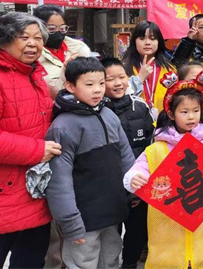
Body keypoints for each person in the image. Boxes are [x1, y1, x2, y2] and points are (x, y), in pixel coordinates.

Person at [123, 81, 203, 269]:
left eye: (196, 111)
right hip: (167, 232)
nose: (191, 117)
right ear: (171, 114)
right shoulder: (157, 148)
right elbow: (140, 167)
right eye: (184, 111)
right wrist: (134, 177)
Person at [0, 12, 60, 268]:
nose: (33, 44)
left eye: (38, 38)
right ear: (4, 40)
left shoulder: (33, 75)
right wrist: (37, 150)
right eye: (24, 37)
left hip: (33, 195)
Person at [45, 57, 136, 269]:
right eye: (89, 84)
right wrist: (70, 222)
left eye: (101, 83)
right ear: (70, 86)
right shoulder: (63, 126)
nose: (97, 90)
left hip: (112, 210)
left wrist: (133, 190)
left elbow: (126, 156)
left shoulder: (109, 115)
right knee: (83, 263)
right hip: (83, 217)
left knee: (111, 259)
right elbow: (59, 181)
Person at [102, 57, 154, 268]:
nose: (118, 83)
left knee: (137, 230)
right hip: (109, 186)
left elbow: (152, 143)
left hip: (138, 183)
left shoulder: (140, 107)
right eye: (110, 79)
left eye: (122, 77)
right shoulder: (96, 110)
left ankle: (129, 264)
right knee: (110, 234)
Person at [33, 4, 91, 99]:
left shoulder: (79, 50)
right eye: (52, 29)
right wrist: (65, 71)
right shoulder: (32, 55)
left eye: (62, 28)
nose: (58, 33)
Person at [122, 21, 176, 117]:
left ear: (159, 42)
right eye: (142, 38)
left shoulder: (171, 69)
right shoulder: (123, 69)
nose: (147, 43)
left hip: (164, 121)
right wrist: (139, 79)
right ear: (134, 41)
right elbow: (121, 98)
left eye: (152, 38)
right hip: (135, 120)